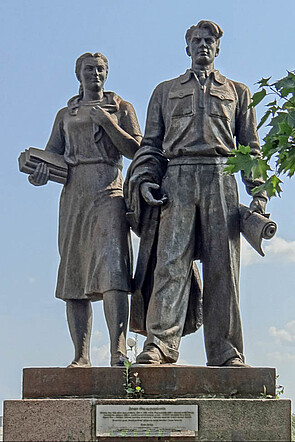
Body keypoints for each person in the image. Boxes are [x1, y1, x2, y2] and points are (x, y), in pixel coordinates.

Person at [125, 21, 267, 367]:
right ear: (187, 48)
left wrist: (259, 197)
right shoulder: (165, 91)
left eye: (209, 41)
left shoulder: (238, 92)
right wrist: (145, 179)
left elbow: (250, 148)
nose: (203, 45)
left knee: (224, 269)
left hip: (223, 176)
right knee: (170, 264)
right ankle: (159, 344)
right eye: (196, 41)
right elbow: (151, 146)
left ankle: (226, 352)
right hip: (178, 177)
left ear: (218, 48)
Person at [29, 52, 142, 367]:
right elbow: (53, 153)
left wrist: (107, 122)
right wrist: (40, 174)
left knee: (113, 269)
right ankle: (81, 356)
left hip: (109, 189)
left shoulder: (121, 108)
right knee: (74, 274)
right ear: (78, 74)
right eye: (89, 69)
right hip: (74, 193)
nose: (96, 73)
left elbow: (137, 149)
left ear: (108, 73)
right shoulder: (66, 113)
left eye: (101, 69)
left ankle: (119, 351)